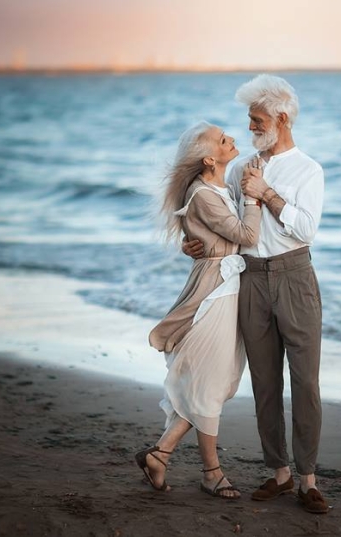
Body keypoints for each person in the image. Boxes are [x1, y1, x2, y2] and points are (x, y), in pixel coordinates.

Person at [183, 74, 328, 514]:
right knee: (265, 382)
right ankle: (279, 474)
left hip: (295, 277)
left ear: (281, 119)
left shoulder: (309, 169)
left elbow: (307, 229)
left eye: (256, 120)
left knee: (305, 383)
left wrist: (267, 194)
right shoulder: (244, 166)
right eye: (248, 121)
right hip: (250, 278)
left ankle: (307, 479)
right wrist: (194, 244)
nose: (250, 128)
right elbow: (224, 223)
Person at [135, 121, 262, 500]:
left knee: (214, 381)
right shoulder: (204, 194)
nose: (232, 139)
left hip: (226, 287)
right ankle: (211, 472)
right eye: (224, 140)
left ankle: (160, 454)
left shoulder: (220, 186)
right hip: (214, 293)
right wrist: (255, 199)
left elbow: (212, 236)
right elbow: (248, 236)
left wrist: (198, 242)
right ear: (209, 158)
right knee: (208, 381)